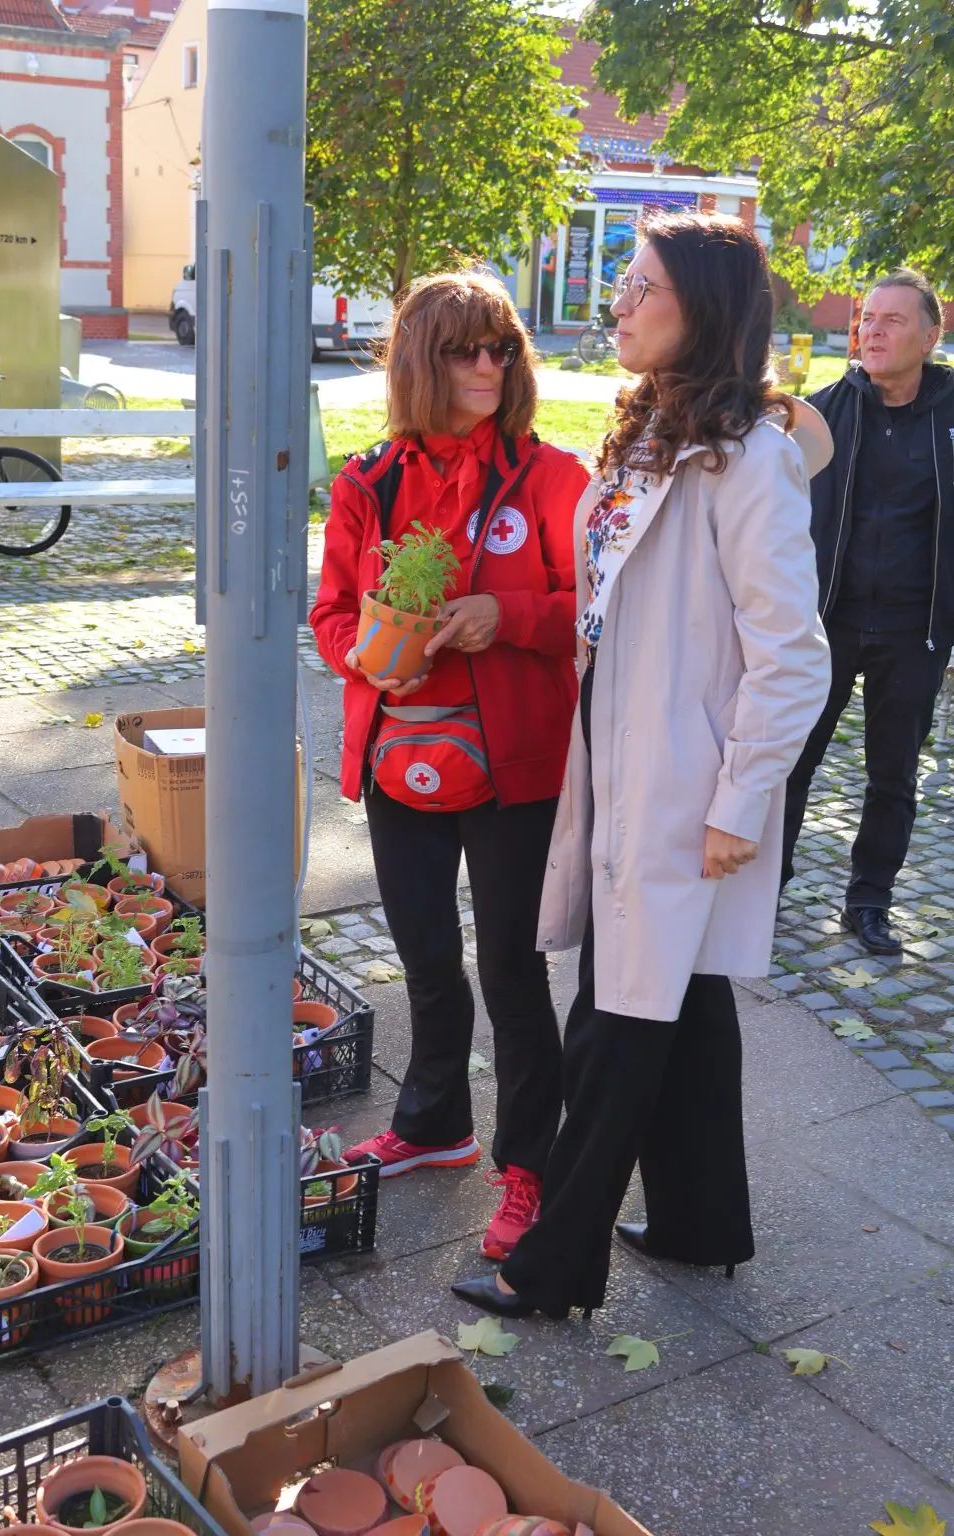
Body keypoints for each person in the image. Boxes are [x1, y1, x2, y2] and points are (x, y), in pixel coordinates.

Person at [451, 212, 832, 1321]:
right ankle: (703, 1220)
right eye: (621, 283)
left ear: (702, 309)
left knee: (613, 1023)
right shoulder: (652, 435)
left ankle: (551, 1268)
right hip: (620, 767)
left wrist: (740, 801)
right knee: (688, 999)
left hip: (681, 788)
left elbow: (790, 654)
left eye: (642, 285)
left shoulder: (749, 458)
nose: (618, 301)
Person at [309, 271, 590, 1262]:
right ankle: (434, 1123)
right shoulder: (367, 481)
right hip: (402, 757)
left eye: (502, 348)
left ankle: (528, 1165)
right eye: (466, 349)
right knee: (425, 959)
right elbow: (332, 613)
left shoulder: (553, 478)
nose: (487, 366)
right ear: (421, 361)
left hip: (514, 765)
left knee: (511, 971)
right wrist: (372, 646)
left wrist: (503, 616)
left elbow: (592, 614)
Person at [780, 269, 954, 955]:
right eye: (866, 319)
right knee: (790, 760)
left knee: (893, 775)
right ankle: (765, 886)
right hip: (826, 621)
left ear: (931, 335)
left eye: (891, 320)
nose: (871, 332)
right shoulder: (820, 415)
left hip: (918, 629)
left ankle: (870, 899)